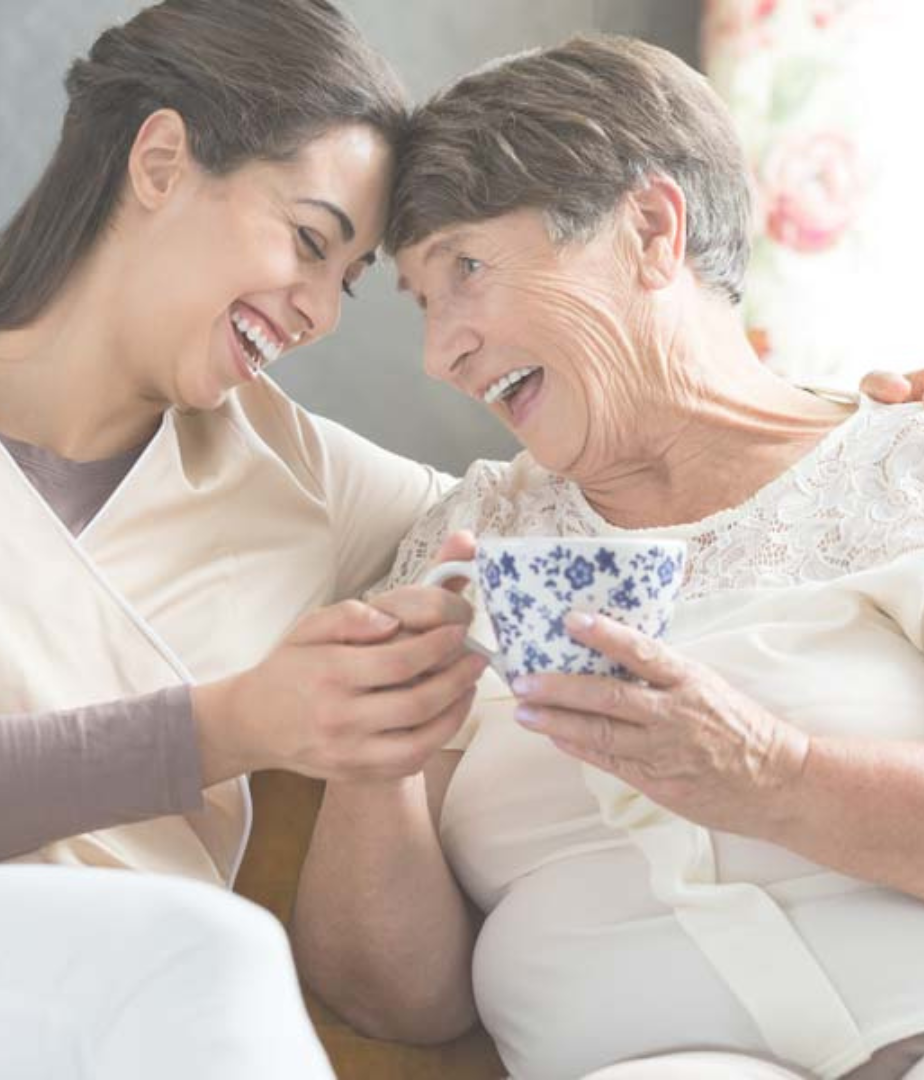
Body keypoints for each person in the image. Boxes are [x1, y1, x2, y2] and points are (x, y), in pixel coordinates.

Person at [0, 1, 485, 1075]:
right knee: (217, 947)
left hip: (128, 1036)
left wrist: (855, 428)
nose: (321, 309)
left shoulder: (310, 484)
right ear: (159, 161)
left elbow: (585, 493)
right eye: (309, 242)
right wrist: (227, 727)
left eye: (348, 279)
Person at [293, 34, 924, 1080]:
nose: (439, 350)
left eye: (467, 270)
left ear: (649, 229)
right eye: (420, 297)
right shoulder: (468, 541)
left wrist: (774, 776)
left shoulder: (901, 466)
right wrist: (377, 767)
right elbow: (394, 999)